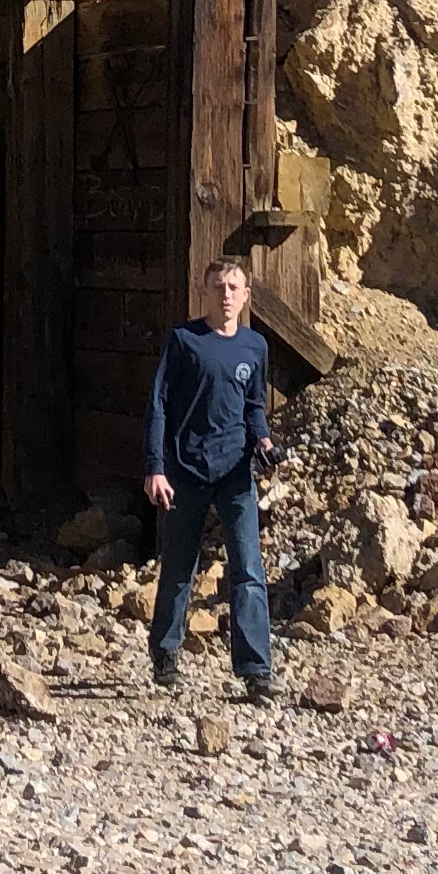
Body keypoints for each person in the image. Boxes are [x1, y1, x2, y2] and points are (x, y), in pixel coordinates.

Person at [142, 253, 276, 700]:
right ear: (206, 291)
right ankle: (165, 654)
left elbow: (255, 406)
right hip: (186, 470)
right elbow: (158, 405)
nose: (226, 295)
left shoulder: (254, 347)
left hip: (236, 471)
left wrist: (264, 442)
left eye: (234, 287)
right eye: (218, 286)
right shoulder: (184, 340)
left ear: (246, 295)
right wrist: (155, 467)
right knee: (180, 567)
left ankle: (256, 669)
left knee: (248, 569)